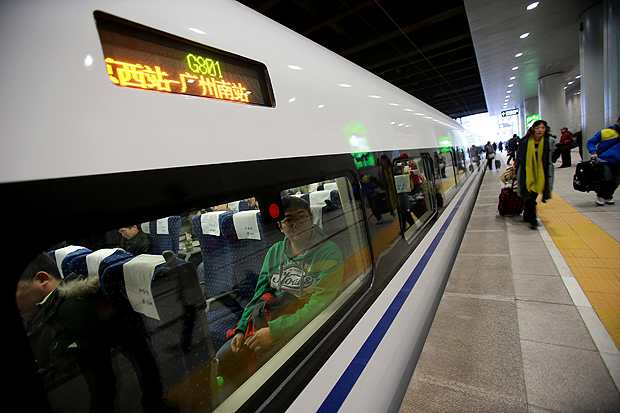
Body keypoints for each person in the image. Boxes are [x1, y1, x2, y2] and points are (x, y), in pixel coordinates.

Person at [215, 196, 343, 389]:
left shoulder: (329, 252)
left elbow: (319, 304)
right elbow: (260, 294)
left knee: (267, 371)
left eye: (301, 217)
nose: (296, 224)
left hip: (305, 323)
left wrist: (275, 331)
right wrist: (241, 328)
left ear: (311, 217)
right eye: (288, 220)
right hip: (271, 316)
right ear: (280, 226)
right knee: (224, 357)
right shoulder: (275, 251)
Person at [16, 253, 170, 412]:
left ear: (42, 279)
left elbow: (69, 363)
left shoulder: (71, 310)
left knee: (103, 384)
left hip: (113, 336)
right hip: (116, 334)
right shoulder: (57, 302)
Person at [515, 120, 556, 229]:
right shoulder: (525, 142)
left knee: (532, 197)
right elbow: (519, 157)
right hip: (526, 173)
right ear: (533, 129)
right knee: (529, 196)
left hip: (541, 174)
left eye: (542, 128)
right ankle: (533, 220)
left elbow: (553, 157)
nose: (540, 130)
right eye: (537, 128)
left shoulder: (549, 141)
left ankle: (527, 215)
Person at [587, 116, 620, 206]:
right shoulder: (605, 132)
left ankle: (608, 196)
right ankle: (600, 196)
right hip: (604, 160)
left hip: (618, 162)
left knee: (616, 181)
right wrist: (593, 152)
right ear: (617, 122)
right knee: (607, 179)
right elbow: (591, 142)